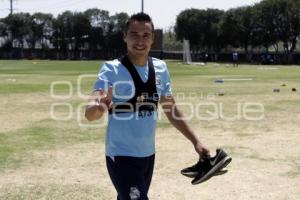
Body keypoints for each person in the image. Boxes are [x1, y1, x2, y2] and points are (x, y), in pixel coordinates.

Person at [85, 13, 222, 200]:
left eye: (145, 35)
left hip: (147, 155)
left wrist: (195, 141)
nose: (140, 40)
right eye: (134, 34)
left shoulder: (160, 68)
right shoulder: (111, 70)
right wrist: (100, 107)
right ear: (124, 36)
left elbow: (171, 109)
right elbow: (89, 114)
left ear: (152, 39)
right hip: (121, 155)